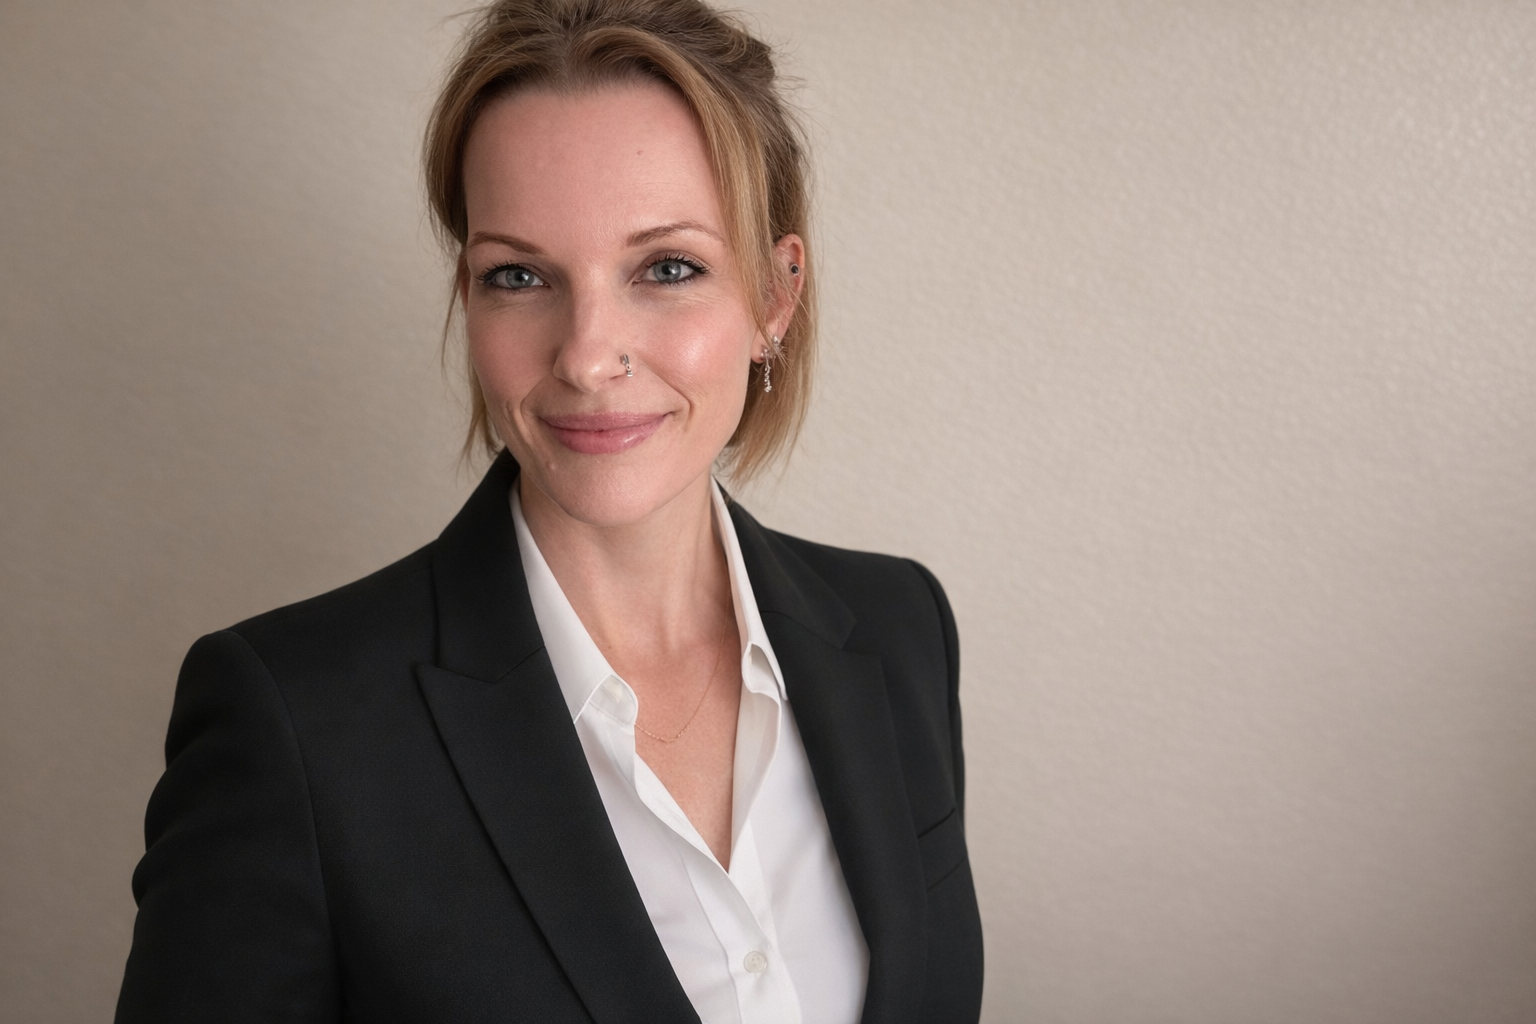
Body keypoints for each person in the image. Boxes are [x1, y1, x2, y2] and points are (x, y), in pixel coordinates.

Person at [114, 1, 983, 1021]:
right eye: (519, 275)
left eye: (667, 268)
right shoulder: (296, 727)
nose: (585, 354)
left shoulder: (899, 626)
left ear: (775, 295)